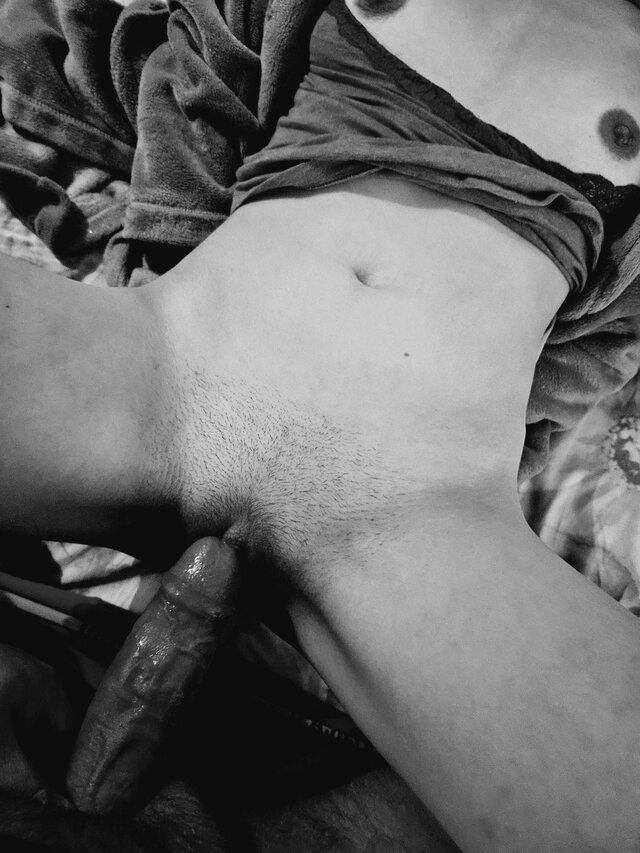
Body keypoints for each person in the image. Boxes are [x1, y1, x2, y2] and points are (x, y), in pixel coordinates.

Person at [2, 0, 640, 850]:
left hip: (410, 492)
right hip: (172, 367)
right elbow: (202, 89)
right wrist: (157, 255)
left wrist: (507, 438)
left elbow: (595, 349)